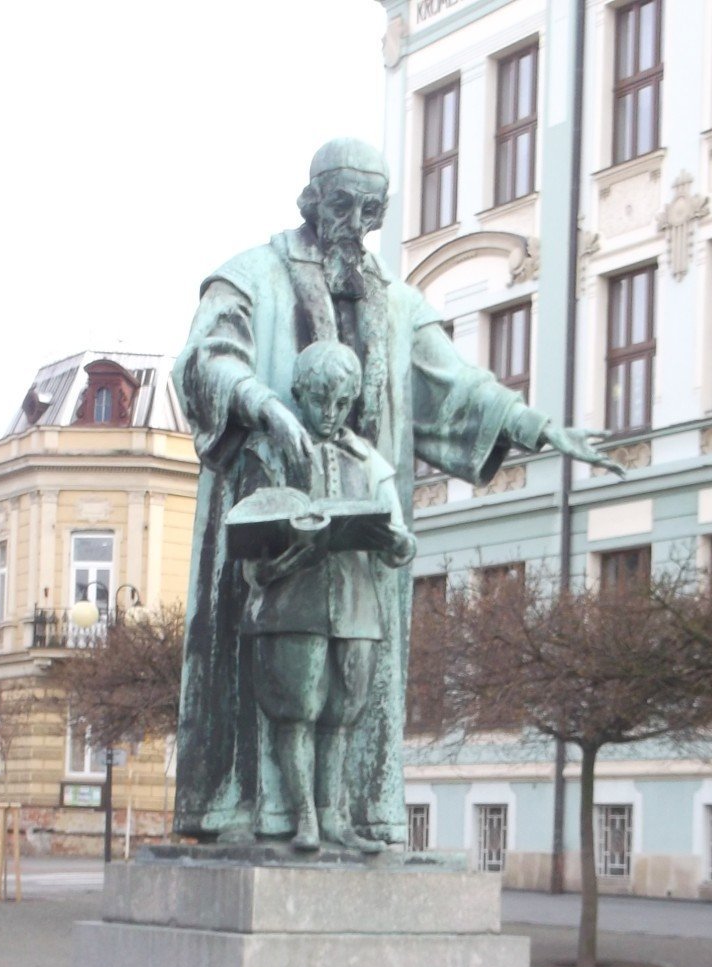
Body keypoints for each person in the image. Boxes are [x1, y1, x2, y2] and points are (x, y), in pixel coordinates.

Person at [174, 136, 622, 846]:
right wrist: (263, 405)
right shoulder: (249, 277)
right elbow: (205, 360)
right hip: (268, 538)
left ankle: (347, 817)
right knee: (274, 693)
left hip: (356, 562)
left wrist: (538, 426)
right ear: (310, 200)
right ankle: (261, 815)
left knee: (347, 698)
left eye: (371, 208)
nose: (355, 222)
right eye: (342, 203)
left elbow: (458, 388)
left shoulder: (397, 303)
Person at [240, 340, 415, 851]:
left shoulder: (368, 459)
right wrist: (274, 560)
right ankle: (304, 820)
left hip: (355, 605)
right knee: (298, 709)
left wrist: (398, 541)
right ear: (299, 394)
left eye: (341, 403)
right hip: (289, 606)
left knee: (342, 713)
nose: (329, 413)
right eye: (319, 401)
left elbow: (400, 538)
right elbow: (247, 542)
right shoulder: (268, 452)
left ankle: (334, 816)